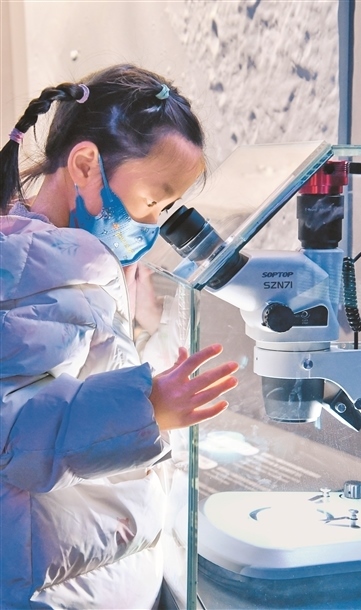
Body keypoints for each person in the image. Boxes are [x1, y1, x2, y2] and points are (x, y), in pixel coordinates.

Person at [0, 64, 239, 609]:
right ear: (86, 164)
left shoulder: (66, 267)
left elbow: (76, 375)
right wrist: (146, 408)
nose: (153, 224)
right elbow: (14, 432)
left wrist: (143, 328)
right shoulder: (33, 269)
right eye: (153, 200)